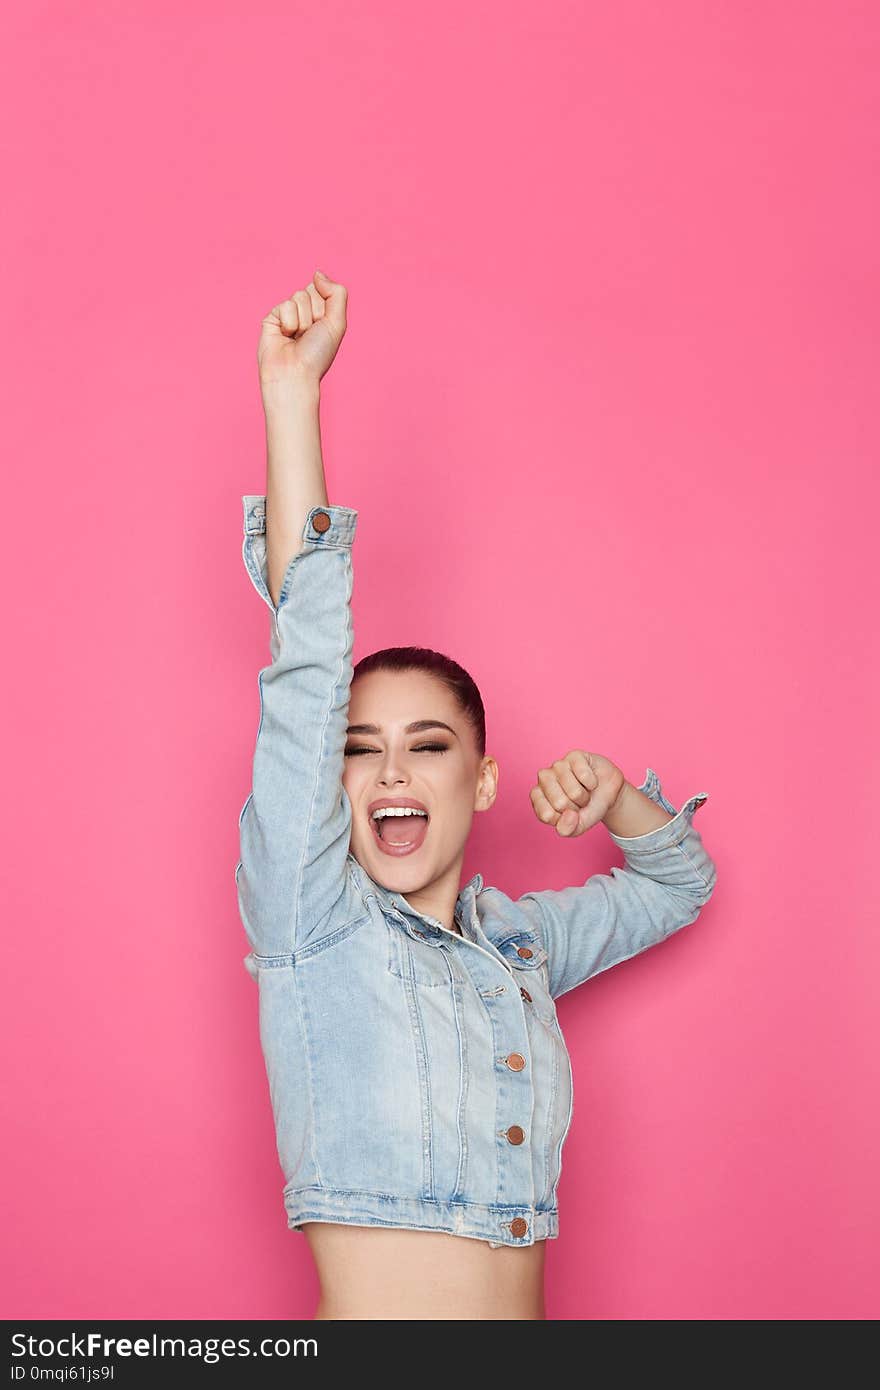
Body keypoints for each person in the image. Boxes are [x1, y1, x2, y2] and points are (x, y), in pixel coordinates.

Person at [235, 270, 718, 1320]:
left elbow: (678, 886)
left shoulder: (522, 948)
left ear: (482, 779)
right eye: (360, 750)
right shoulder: (311, 923)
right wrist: (292, 398)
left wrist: (616, 799)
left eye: (427, 744)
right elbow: (307, 660)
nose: (393, 771)